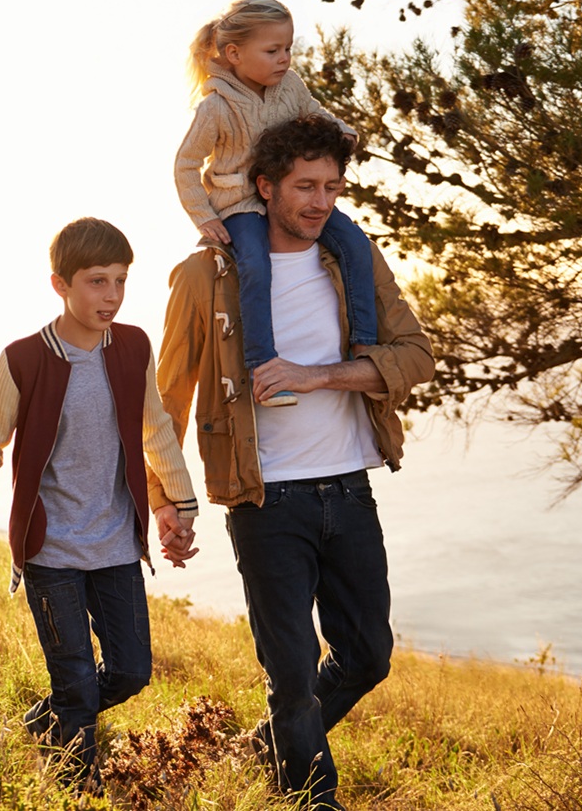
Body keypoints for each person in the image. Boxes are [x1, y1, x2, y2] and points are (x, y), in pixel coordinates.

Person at [156, 115, 434, 809]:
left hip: (348, 489)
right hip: (264, 499)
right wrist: (166, 500)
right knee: (290, 671)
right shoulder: (205, 276)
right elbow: (165, 397)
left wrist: (320, 375)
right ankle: (312, 797)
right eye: (303, 186)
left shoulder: (352, 263)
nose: (318, 202)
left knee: (368, 654)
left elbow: (415, 357)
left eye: (331, 187)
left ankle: (267, 746)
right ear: (263, 186)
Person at [0, 217, 199, 792]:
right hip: (52, 550)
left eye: (121, 280)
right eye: (97, 282)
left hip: (117, 542)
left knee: (130, 671)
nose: (113, 296)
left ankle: (45, 722)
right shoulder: (24, 359)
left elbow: (156, 429)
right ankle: (79, 792)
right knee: (74, 677)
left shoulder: (133, 346)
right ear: (60, 285)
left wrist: (181, 499)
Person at [174, 0, 377, 407]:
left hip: (288, 196)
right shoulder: (215, 107)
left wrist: (341, 130)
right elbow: (185, 166)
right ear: (234, 53)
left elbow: (315, 112)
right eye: (272, 51)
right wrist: (204, 217)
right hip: (241, 203)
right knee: (254, 264)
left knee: (356, 245)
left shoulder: (290, 85)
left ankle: (365, 345)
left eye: (288, 48)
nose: (284, 58)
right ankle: (264, 366)